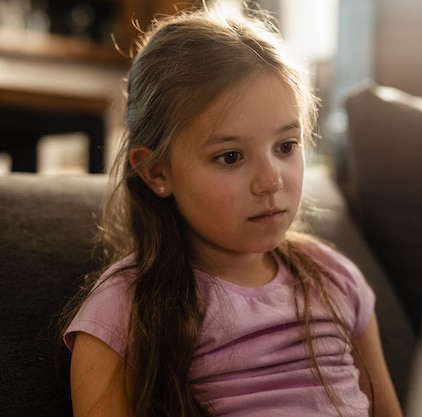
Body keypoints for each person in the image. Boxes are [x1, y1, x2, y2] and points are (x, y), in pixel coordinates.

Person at [60, 2, 402, 417]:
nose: (271, 180)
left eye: (286, 146)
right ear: (155, 172)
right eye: (230, 157)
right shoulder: (125, 310)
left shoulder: (335, 280)